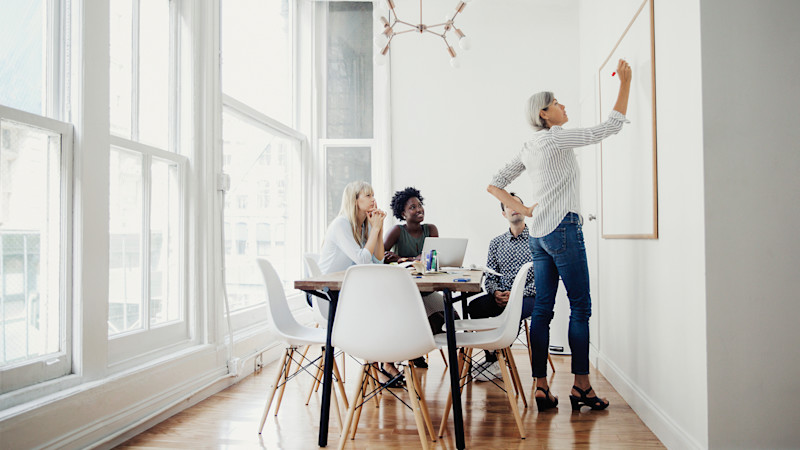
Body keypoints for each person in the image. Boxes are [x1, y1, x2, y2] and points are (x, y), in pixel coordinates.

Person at [486, 59, 632, 411]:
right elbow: (607, 128)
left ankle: (540, 387)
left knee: (543, 311)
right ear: (545, 113)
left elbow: (494, 185)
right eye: (558, 103)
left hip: (538, 235)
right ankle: (581, 386)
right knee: (580, 307)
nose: (564, 107)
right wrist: (625, 83)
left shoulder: (528, 146)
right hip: (564, 229)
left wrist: (528, 210)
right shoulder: (557, 139)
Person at [318, 181, 403, 387]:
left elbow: (378, 261)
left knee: (389, 305)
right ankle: (382, 365)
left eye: (373, 195)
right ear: (355, 200)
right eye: (367, 196)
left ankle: (384, 362)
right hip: (325, 295)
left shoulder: (363, 225)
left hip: (346, 292)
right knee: (381, 308)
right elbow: (362, 261)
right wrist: (374, 229)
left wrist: (378, 229)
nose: (373, 199)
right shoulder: (341, 224)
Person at [467, 193, 536, 381]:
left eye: (517, 204)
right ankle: (493, 358)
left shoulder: (537, 240)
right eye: (508, 205)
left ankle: (500, 359)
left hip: (528, 297)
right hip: (501, 296)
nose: (513, 207)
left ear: (524, 209)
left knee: (512, 312)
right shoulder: (496, 243)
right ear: (504, 214)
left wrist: (515, 295)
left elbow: (542, 279)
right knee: (475, 307)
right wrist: (495, 292)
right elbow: (489, 275)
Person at [383, 187, 446, 369]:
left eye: (419, 205)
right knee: (413, 316)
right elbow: (379, 255)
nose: (419, 209)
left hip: (426, 290)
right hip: (402, 291)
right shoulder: (397, 231)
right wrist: (415, 259)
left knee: (447, 319)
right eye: (412, 207)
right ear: (403, 213)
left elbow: (431, 257)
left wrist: (403, 259)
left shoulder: (431, 229)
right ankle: (404, 354)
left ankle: (414, 351)